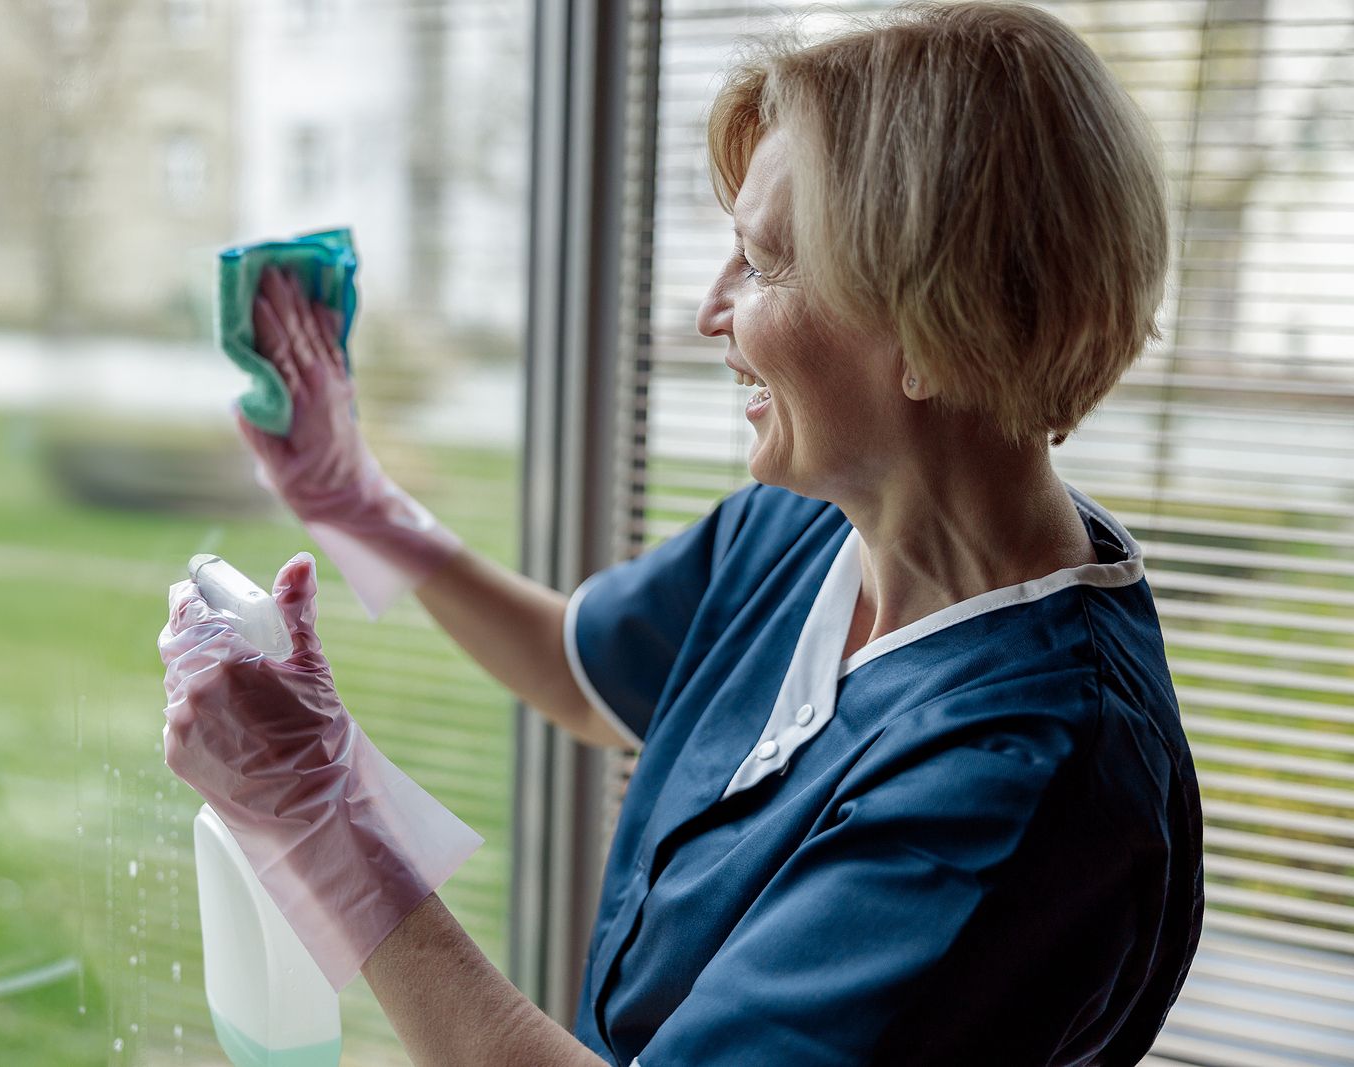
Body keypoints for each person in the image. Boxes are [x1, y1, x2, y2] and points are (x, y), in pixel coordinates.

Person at [158, 2, 1204, 1063]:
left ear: (940, 328)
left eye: (761, 264)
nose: (712, 310)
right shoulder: (818, 518)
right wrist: (353, 499)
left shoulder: (1022, 784)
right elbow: (579, 668)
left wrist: (319, 816)